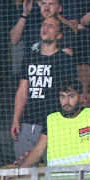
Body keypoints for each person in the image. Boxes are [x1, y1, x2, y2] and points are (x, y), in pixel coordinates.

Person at [11, 15, 78, 165]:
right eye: (44, 24)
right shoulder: (29, 58)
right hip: (27, 124)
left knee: (54, 172)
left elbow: (71, 94)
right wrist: (16, 119)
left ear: (59, 35)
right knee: (25, 174)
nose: (45, 28)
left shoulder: (64, 59)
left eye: (51, 26)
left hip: (53, 125)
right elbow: (22, 90)